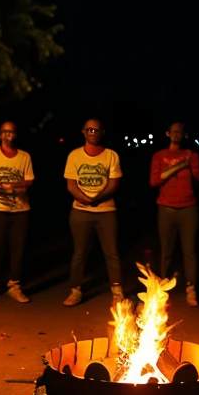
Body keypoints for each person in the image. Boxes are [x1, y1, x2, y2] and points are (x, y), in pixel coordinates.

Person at [62, 119, 124, 307]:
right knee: (79, 253)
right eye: (89, 129)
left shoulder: (111, 155)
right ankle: (75, 290)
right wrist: (84, 199)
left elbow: (114, 183)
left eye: (96, 130)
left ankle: (117, 291)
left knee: (111, 252)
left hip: (106, 211)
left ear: (102, 132)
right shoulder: (74, 156)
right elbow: (71, 184)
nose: (93, 132)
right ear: (83, 131)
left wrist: (97, 197)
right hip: (80, 211)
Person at [0, 121, 33, 303]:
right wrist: (1, 185)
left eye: (11, 132)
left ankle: (14, 285)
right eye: (5, 132)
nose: (8, 135)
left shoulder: (24, 156)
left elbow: (29, 181)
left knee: (17, 251)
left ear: (16, 135)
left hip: (21, 210)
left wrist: (15, 186)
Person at [150, 122, 199, 306]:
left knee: (189, 250)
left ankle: (191, 287)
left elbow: (198, 179)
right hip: (166, 208)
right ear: (167, 133)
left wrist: (188, 166)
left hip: (188, 208)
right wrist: (180, 166)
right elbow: (155, 181)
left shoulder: (193, 156)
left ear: (185, 135)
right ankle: (163, 287)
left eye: (180, 131)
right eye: (174, 131)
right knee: (166, 250)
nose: (176, 134)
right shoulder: (159, 156)